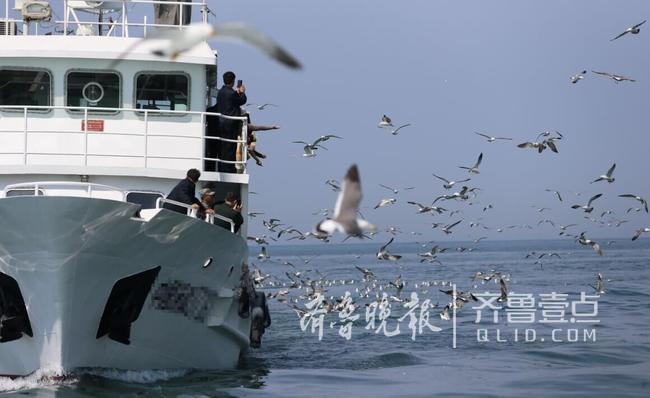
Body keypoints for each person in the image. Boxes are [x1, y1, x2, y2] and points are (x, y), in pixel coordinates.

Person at [215, 71, 247, 173]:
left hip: (221, 122)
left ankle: (221, 167)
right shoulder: (232, 93)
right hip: (231, 123)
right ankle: (228, 168)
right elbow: (242, 101)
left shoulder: (221, 92)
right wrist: (242, 92)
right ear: (233, 81)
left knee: (222, 147)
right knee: (230, 148)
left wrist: (236, 93)